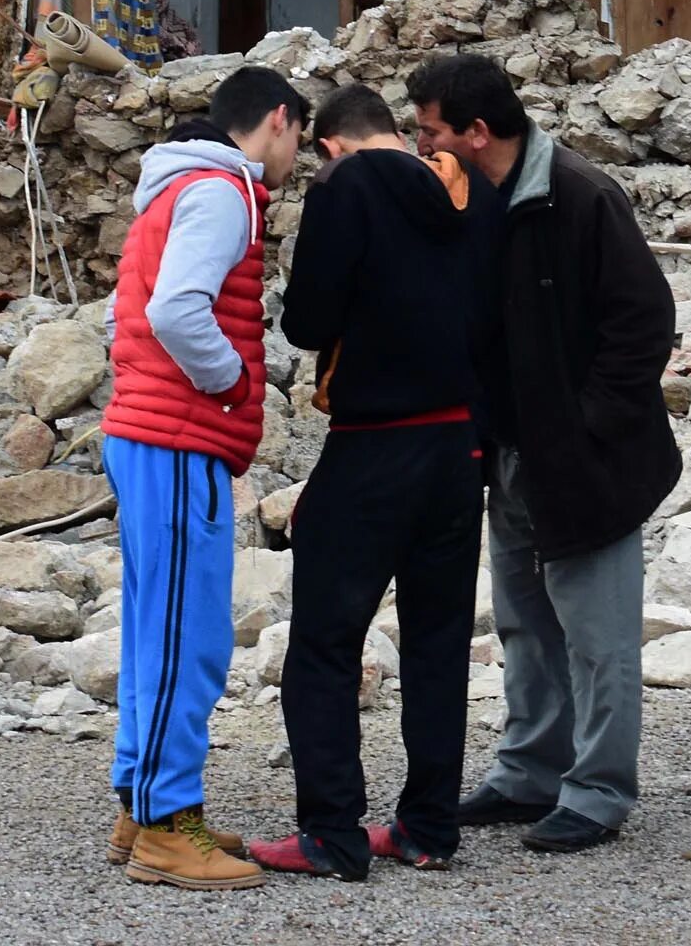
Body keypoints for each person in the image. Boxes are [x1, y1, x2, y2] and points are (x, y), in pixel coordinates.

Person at [412, 51, 681, 854]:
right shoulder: (477, 200)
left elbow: (643, 327)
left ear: (478, 131)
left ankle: (598, 792)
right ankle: (531, 772)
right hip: (512, 458)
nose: (425, 147)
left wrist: (581, 429)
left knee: (599, 639)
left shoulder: (581, 196)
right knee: (527, 627)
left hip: (589, 465)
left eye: (432, 134)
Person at [248, 85, 487, 881]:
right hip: (458, 444)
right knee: (437, 642)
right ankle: (427, 827)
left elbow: (309, 321)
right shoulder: (467, 187)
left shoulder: (344, 187)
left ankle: (332, 833)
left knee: (323, 640)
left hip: (373, 440)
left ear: (331, 145)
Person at [103, 63, 307, 892]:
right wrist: (232, 383)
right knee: (189, 640)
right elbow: (178, 309)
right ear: (281, 121)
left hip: (153, 437)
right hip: (179, 439)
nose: (297, 160)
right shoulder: (224, 191)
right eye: (299, 140)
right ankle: (164, 828)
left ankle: (147, 807)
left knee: (157, 631)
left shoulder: (176, 183)